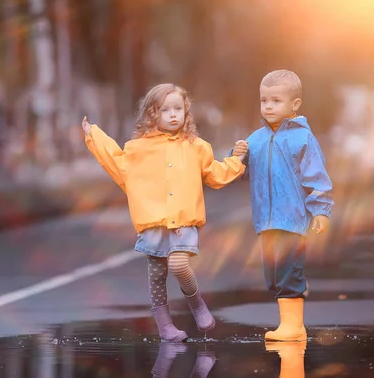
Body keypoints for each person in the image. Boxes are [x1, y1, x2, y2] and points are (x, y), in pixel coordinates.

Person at [82, 83, 246, 342]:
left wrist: (236, 161)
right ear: (152, 114)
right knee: (157, 276)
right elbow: (116, 162)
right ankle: (165, 326)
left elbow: (215, 174)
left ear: (186, 112)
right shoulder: (138, 148)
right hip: (153, 223)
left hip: (184, 221)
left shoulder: (197, 146)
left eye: (178, 109)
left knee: (179, 265)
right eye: (165, 109)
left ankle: (197, 304)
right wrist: (94, 135)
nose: (173, 115)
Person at [231, 69, 334, 341]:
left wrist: (321, 210)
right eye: (264, 100)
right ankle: (292, 309)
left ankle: (293, 326)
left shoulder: (302, 138)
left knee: (288, 273)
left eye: (276, 101)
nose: (268, 106)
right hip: (265, 220)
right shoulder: (255, 139)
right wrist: (236, 157)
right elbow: (241, 174)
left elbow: (317, 176)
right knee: (274, 275)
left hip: (293, 217)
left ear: (294, 105)